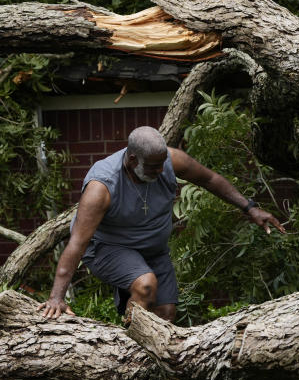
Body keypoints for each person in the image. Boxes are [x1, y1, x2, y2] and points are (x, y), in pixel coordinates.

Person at [39, 126, 284, 322]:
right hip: (108, 247)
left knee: (166, 314)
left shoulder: (170, 160)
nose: (161, 170)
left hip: (153, 249)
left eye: (162, 163)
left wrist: (250, 208)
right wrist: (56, 297)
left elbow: (210, 178)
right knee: (145, 285)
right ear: (133, 159)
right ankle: (126, 349)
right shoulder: (102, 186)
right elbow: (77, 243)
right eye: (154, 166)